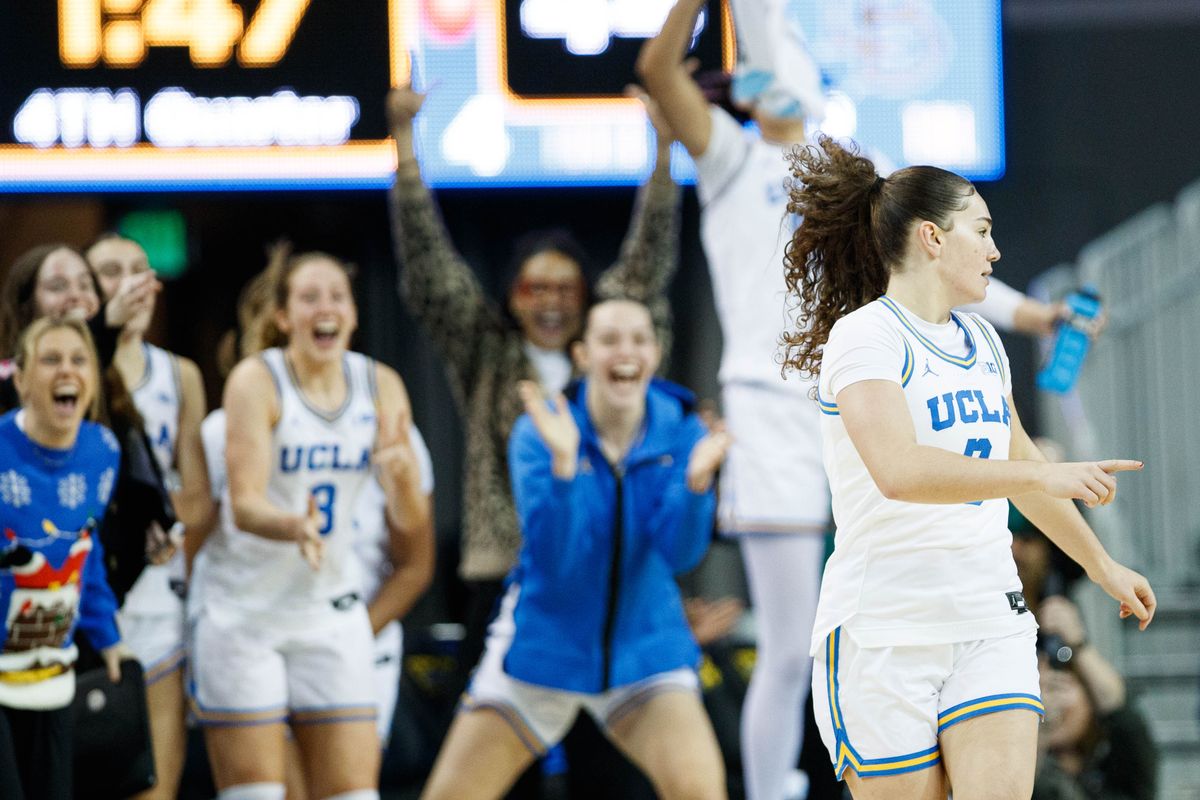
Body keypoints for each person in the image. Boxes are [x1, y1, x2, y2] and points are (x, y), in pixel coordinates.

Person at [637, 6, 1097, 798]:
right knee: (788, 643)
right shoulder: (731, 158)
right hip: (774, 408)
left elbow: (947, 266)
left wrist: (1032, 316)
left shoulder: (874, 182)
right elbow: (656, 69)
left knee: (925, 569)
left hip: (883, 392)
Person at [782, 136, 1155, 799]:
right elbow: (901, 471)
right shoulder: (865, 336)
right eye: (981, 232)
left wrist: (1103, 567)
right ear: (932, 237)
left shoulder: (981, 339)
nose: (995, 250)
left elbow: (1023, 464)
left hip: (988, 616)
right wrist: (1036, 476)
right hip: (885, 627)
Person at [386, 83, 682, 691]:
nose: (551, 301)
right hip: (503, 572)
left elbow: (648, 264)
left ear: (588, 302)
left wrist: (663, 150)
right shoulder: (486, 352)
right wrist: (405, 147)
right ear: (512, 298)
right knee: (493, 737)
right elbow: (430, 270)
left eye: (565, 290)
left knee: (605, 742)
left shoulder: (608, 359)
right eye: (535, 288)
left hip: (596, 568)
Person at [418, 299, 730, 800]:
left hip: (645, 654)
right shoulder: (540, 431)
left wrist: (696, 486)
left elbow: (679, 555)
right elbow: (556, 563)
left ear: (655, 352)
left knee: (702, 792)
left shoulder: (684, 429)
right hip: (543, 652)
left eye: (639, 338)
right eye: (609, 339)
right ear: (582, 354)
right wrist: (565, 467)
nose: (625, 351)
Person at [191, 248, 431, 800]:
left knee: (354, 795)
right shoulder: (256, 380)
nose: (326, 307)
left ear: (353, 313)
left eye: (337, 297)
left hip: (329, 612)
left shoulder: (381, 385)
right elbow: (244, 506)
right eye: (309, 297)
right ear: (283, 316)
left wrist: (401, 484)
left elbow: (412, 526)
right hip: (245, 614)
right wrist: (294, 526)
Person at [85, 232, 214, 800]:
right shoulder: (67, 366)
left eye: (139, 270)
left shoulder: (179, 374)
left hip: (154, 590)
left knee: (155, 780)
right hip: (77, 586)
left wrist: (162, 524)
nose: (129, 284)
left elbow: (199, 496)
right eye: (110, 272)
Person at [0, 317, 128, 800]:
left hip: (51, 670)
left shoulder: (103, 449)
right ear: (20, 379)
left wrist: (108, 635)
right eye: (50, 359)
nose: (67, 370)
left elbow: (87, 552)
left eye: (79, 360)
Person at [1034, 596, 1157, 800]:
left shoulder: (1117, 769)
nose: (1047, 701)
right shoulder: (1028, 768)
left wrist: (1077, 642)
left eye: (1057, 687)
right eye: (1039, 690)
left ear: (1090, 699)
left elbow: (1118, 708)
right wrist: (1039, 729)